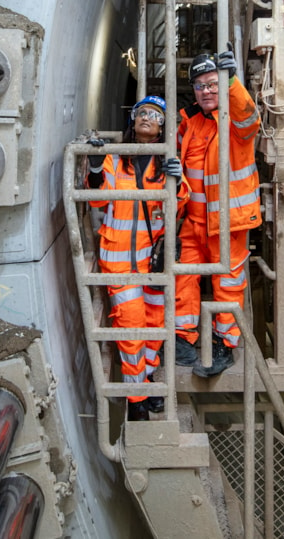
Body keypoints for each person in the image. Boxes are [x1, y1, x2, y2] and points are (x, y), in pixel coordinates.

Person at [87, 95, 185, 421]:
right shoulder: (117, 159)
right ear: (133, 121)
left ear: (161, 127)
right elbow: (100, 201)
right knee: (131, 326)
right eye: (142, 112)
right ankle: (136, 398)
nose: (146, 118)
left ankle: (145, 376)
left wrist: (177, 179)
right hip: (119, 259)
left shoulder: (165, 162)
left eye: (154, 115)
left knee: (155, 323)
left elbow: (178, 206)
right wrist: (96, 168)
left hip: (153, 260)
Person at [174, 50, 261, 378]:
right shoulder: (190, 123)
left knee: (227, 282)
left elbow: (250, 118)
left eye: (212, 84)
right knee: (184, 277)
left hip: (228, 223)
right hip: (193, 221)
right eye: (200, 86)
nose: (206, 91)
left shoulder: (235, 122)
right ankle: (183, 338)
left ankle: (225, 346)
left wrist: (233, 82)